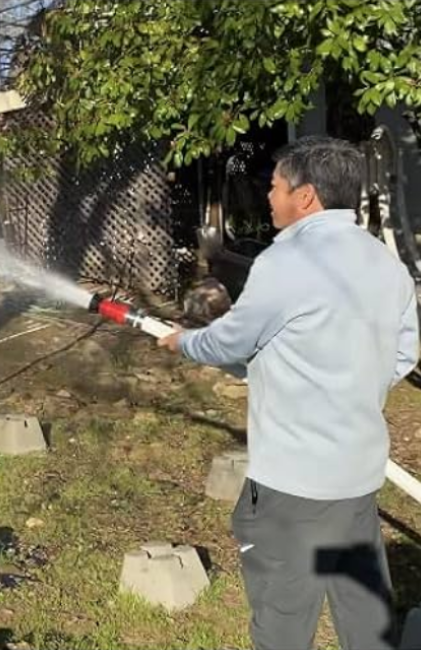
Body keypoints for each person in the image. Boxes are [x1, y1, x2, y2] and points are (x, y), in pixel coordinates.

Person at [158, 136, 419, 650]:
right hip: (355, 475)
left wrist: (185, 341)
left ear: (306, 197)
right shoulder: (385, 263)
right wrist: (350, 387)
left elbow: (233, 338)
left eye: (275, 187)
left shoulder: (286, 262)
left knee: (283, 614)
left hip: (289, 484)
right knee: (365, 615)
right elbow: (406, 352)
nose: (269, 198)